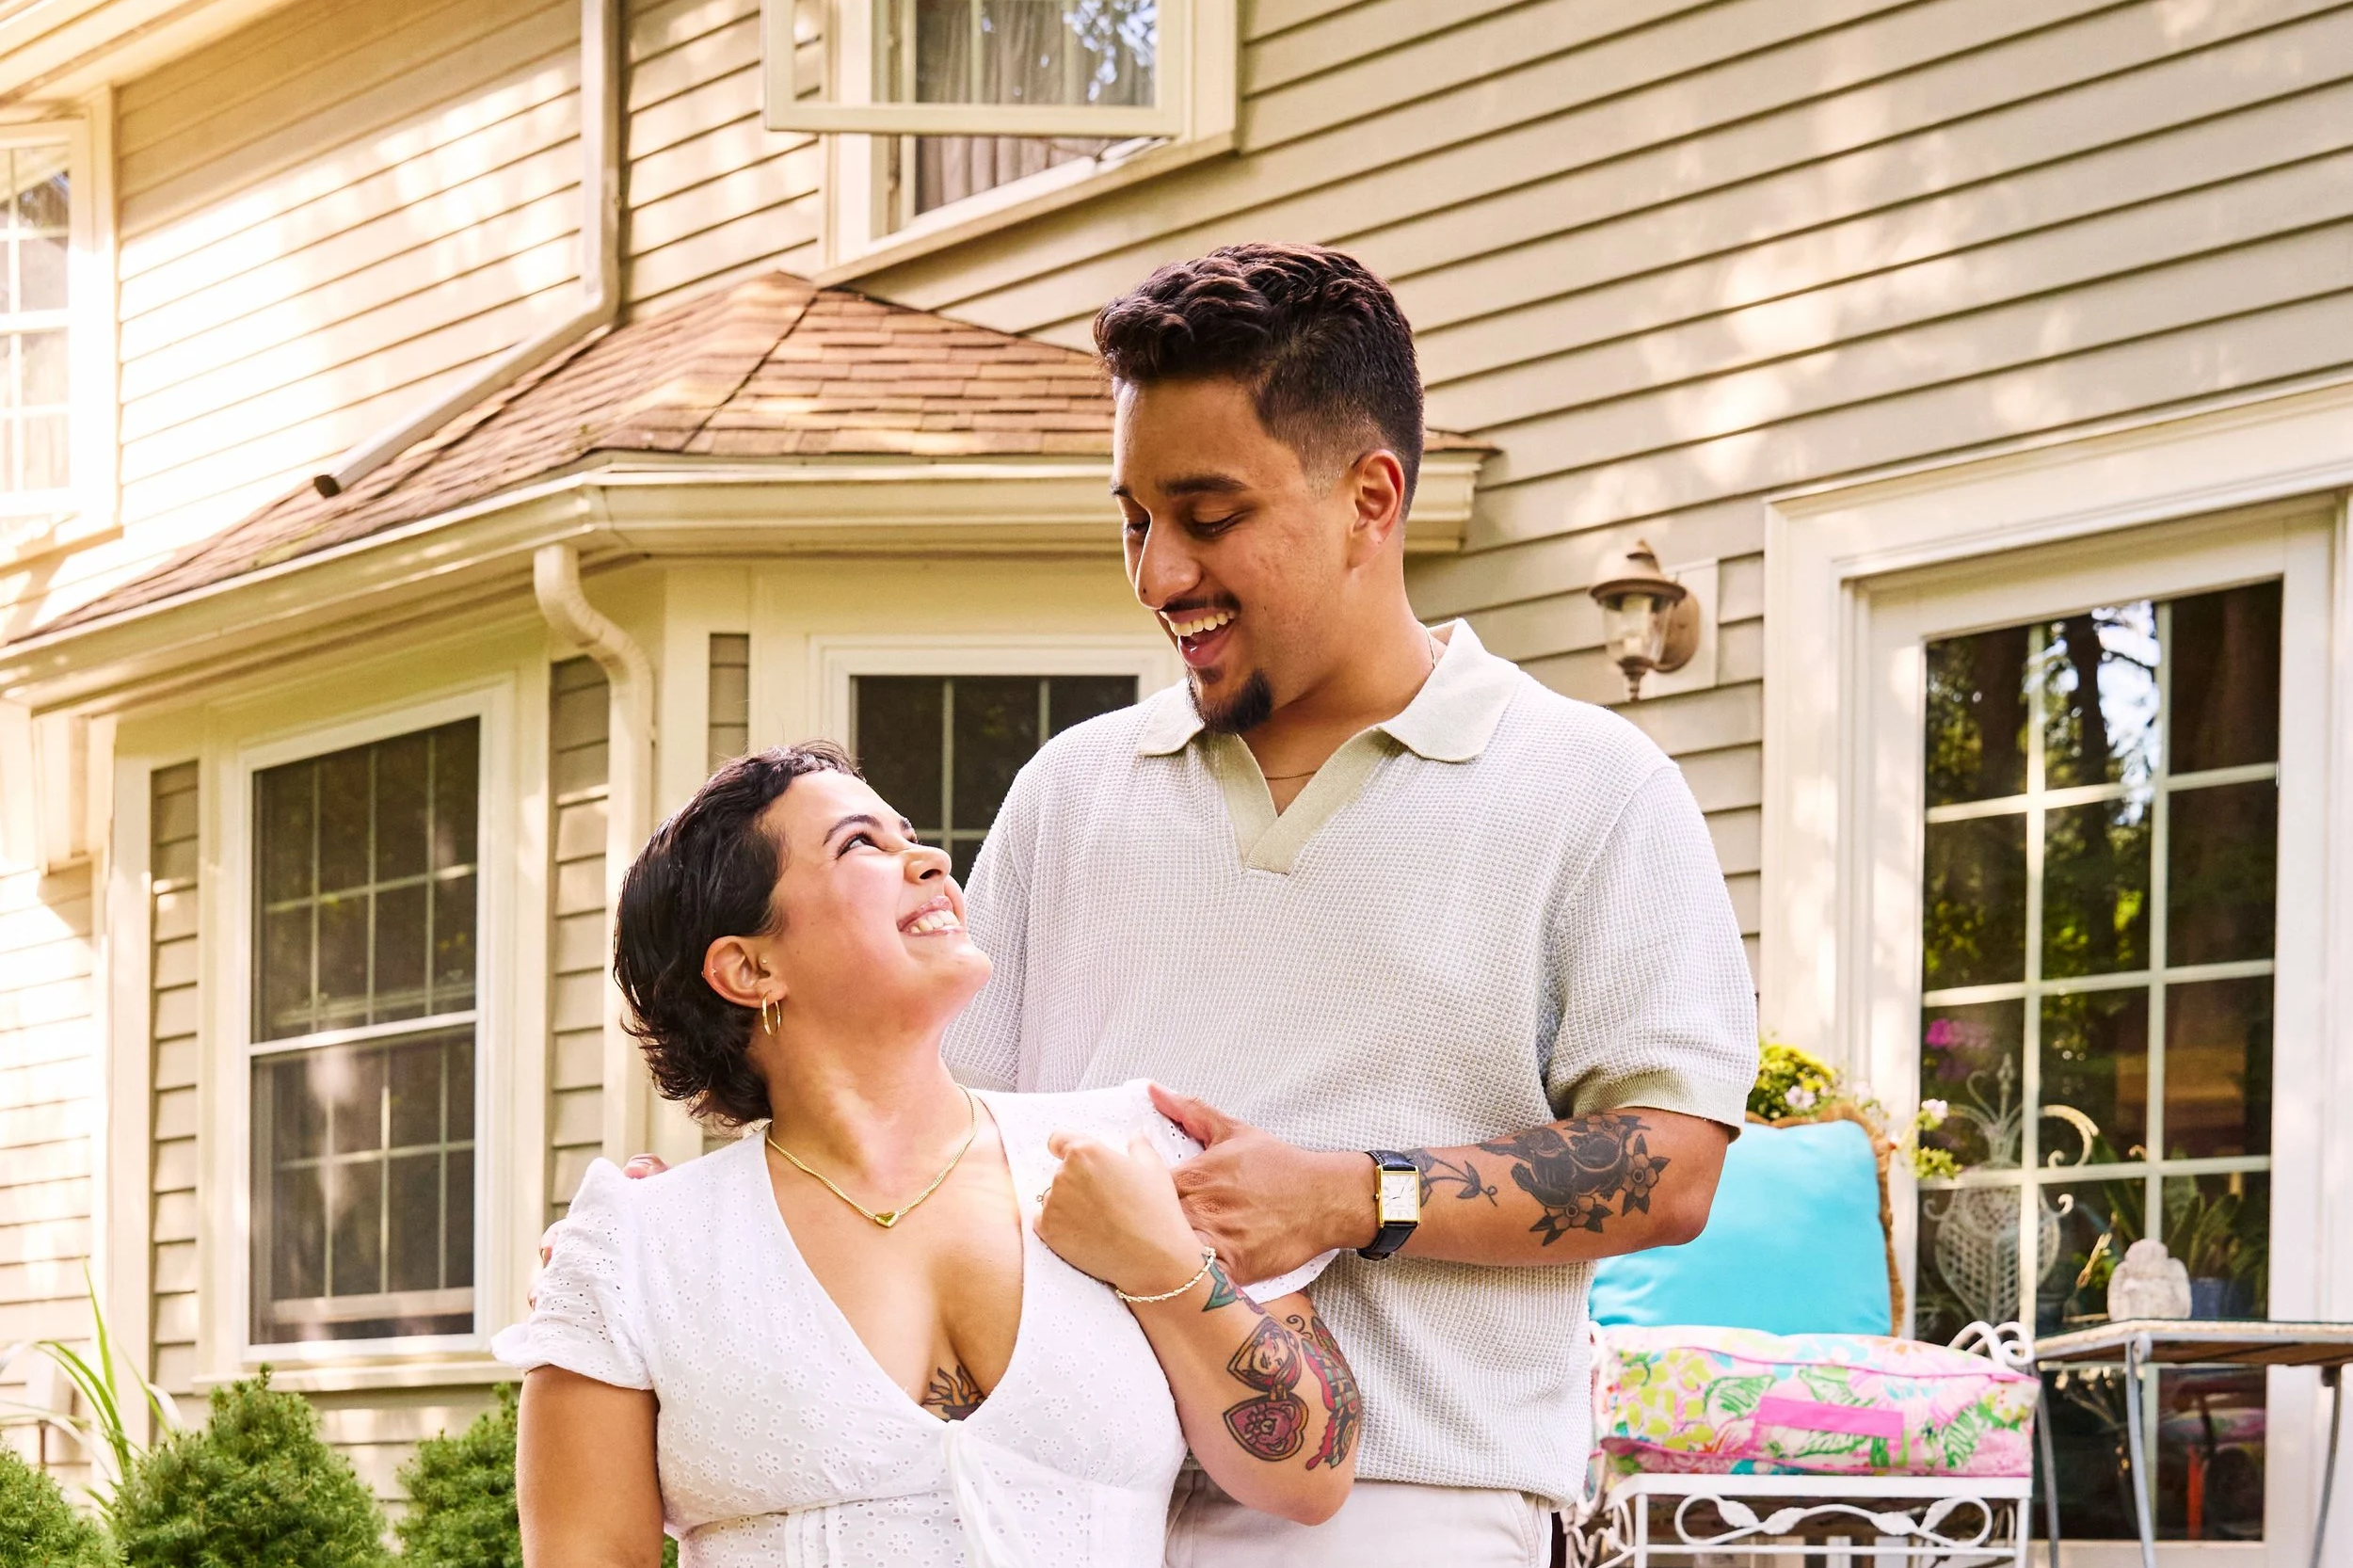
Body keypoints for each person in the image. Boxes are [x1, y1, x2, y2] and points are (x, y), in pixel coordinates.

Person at [936, 244, 1761, 1566]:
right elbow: (943, 1140)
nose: (1157, 575)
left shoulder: (1591, 786)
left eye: (1209, 517)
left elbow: (1672, 1164)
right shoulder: (1068, 792)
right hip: (1053, 1504)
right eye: (1134, 519)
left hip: (1404, 1505)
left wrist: (1347, 1194)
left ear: (1371, 499)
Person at [496, 744, 1362, 1567]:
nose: (932, 860)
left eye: (909, 835)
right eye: (859, 845)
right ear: (749, 970)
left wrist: (1165, 1266)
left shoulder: (1133, 1149)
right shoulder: (637, 1249)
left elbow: (1309, 1475)